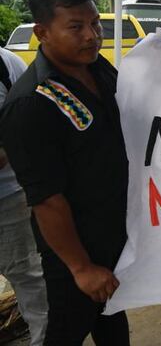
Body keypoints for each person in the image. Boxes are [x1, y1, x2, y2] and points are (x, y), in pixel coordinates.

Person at [0, 0, 130, 345]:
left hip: (114, 237)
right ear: (42, 32)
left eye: (95, 24)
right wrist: (81, 267)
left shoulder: (98, 69)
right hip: (75, 250)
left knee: (112, 322)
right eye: (75, 27)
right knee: (63, 331)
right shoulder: (30, 104)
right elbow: (46, 199)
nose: (91, 36)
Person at [0, 47, 48, 346]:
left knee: (29, 278)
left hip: (9, 197)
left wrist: (9, 147)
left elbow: (34, 120)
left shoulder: (7, 64)